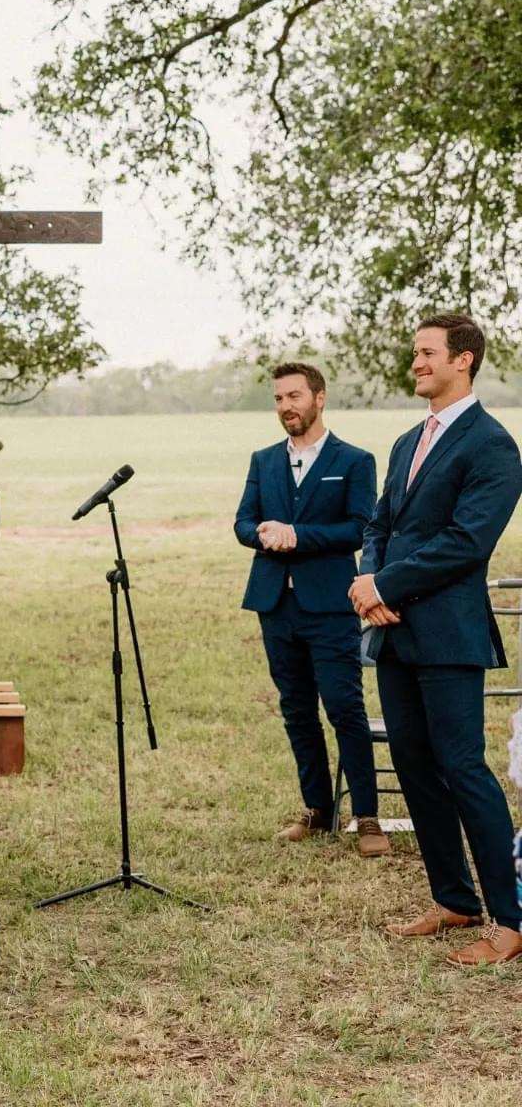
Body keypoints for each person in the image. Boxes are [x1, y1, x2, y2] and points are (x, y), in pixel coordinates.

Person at [351, 314, 522, 966]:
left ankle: (509, 921)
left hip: (448, 634)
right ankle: (454, 901)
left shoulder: (492, 445)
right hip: (392, 634)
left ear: (465, 359)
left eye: (427, 353)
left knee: (463, 769)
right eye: (415, 352)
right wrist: (368, 576)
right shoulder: (405, 442)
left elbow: (466, 542)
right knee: (415, 767)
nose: (417, 362)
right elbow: (379, 520)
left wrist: (385, 585)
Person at [233, 362, 386, 856]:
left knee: (344, 708)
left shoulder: (355, 460)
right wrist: (259, 533)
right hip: (275, 603)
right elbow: (242, 521)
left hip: (330, 603)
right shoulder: (262, 460)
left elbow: (361, 528)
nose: (286, 407)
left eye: (294, 396)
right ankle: (317, 810)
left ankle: (367, 817)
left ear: (319, 398)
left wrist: (299, 535)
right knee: (296, 709)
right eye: (278, 399)